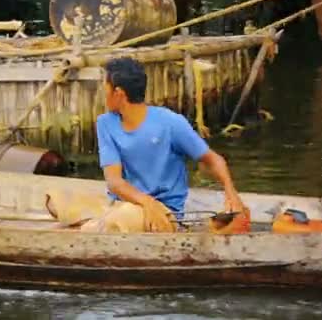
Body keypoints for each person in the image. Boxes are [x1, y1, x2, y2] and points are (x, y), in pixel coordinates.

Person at [95, 57, 248, 232]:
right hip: (124, 205)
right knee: (63, 203)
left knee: (112, 223)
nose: (102, 92)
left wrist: (231, 193)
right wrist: (146, 202)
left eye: (105, 86)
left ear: (119, 93)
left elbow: (213, 159)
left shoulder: (171, 123)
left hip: (164, 212)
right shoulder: (105, 123)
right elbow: (114, 182)